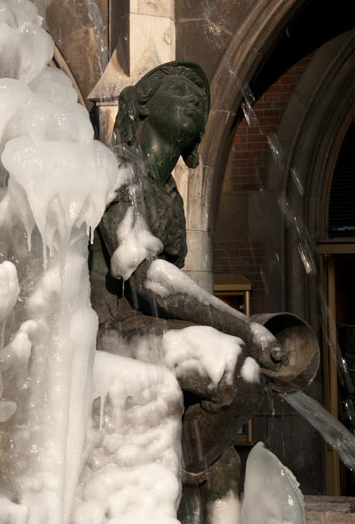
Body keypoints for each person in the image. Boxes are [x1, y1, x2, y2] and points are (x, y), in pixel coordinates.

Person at [89, 61, 291, 515]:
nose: (197, 98)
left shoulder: (172, 200)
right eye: (181, 87)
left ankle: (187, 470)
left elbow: (174, 298)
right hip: (108, 329)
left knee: (224, 457)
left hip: (145, 330)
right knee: (236, 372)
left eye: (203, 98)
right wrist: (243, 327)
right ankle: (179, 479)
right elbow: (144, 280)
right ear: (142, 104)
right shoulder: (116, 169)